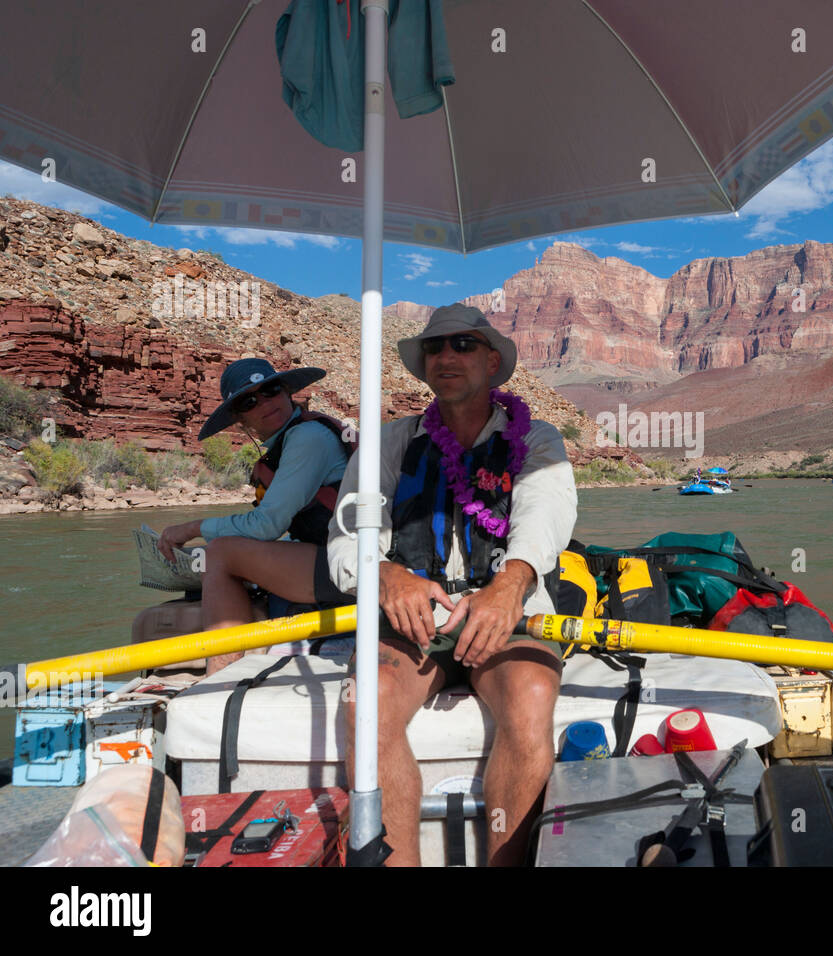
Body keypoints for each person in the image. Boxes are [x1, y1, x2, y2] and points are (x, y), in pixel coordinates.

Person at [327, 304, 577, 867]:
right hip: (415, 618)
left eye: (463, 345)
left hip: (509, 611)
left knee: (531, 693)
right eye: (435, 348)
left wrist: (511, 582)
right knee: (368, 699)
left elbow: (545, 512)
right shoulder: (388, 444)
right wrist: (387, 575)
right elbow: (345, 538)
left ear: (492, 362)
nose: (446, 356)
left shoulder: (536, 440)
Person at [158, 358, 355, 673]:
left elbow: (266, 525)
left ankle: (221, 673)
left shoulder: (307, 438)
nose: (266, 402)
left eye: (272, 389)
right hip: (338, 559)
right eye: (250, 400)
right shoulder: (294, 439)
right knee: (224, 552)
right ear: (241, 420)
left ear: (287, 392)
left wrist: (193, 528)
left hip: (356, 567)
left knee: (219, 554)